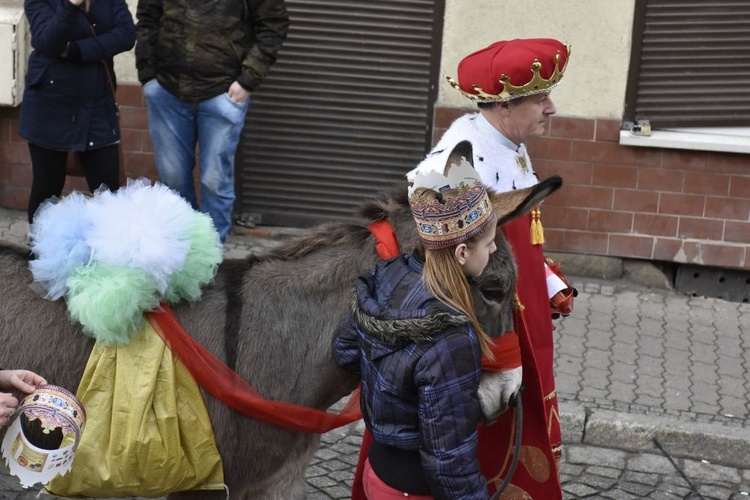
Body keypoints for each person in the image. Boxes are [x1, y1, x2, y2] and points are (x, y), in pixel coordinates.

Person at [406, 38, 576, 498]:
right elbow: (439, 259)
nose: (552, 108)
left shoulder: (511, 142)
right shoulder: (457, 159)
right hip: (485, 329)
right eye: (541, 98)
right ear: (504, 105)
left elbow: (512, 236)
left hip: (519, 314)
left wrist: (546, 280)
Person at [332, 149, 499, 499]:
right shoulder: (451, 336)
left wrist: (391, 383)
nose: (495, 249)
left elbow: (345, 350)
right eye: (489, 242)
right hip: (413, 490)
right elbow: (448, 458)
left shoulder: (388, 276)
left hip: (376, 472)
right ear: (462, 254)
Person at [135, 0, 290, 244]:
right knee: (173, 178)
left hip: (222, 93)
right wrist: (147, 74)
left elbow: (273, 25)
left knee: (214, 181)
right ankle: (182, 250)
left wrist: (247, 81)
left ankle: (209, 258)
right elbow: (147, 17)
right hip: (167, 90)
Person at [19, 0, 136, 224]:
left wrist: (77, 50)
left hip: (97, 102)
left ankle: (107, 254)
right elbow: (47, 42)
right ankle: (39, 253)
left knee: (108, 193)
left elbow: (126, 34)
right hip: (50, 103)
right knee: (47, 189)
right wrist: (71, 5)